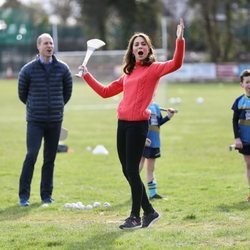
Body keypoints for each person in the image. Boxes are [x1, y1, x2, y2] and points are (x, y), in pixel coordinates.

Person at [79, 18, 185, 229]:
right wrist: (87, 75)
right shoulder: (128, 73)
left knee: (132, 171)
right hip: (122, 124)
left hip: (138, 125)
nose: (139, 47)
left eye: (143, 44)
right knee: (127, 171)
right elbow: (106, 92)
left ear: (148, 49)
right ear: (132, 50)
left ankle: (135, 217)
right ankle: (150, 212)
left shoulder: (154, 68)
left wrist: (179, 39)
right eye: (136, 44)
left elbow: (176, 63)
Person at [18, 33, 73, 206]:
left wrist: (56, 106)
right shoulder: (27, 69)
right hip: (35, 121)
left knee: (50, 159)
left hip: (55, 121)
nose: (49, 46)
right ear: (38, 47)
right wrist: (36, 106)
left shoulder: (63, 69)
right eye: (45, 43)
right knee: (31, 155)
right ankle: (24, 196)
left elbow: (67, 93)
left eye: (51, 43)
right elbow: (22, 94)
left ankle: (46, 196)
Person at [139, 102, 176, 200]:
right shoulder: (141, 104)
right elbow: (138, 123)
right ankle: (136, 191)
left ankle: (152, 194)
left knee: (151, 169)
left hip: (154, 142)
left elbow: (158, 123)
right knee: (138, 166)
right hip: (143, 141)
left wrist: (168, 116)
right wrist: (142, 137)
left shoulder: (155, 106)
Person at [231, 69, 250, 202]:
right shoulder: (239, 101)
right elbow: (234, 121)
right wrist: (237, 138)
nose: (249, 85)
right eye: (247, 82)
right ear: (242, 84)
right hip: (245, 140)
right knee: (248, 164)